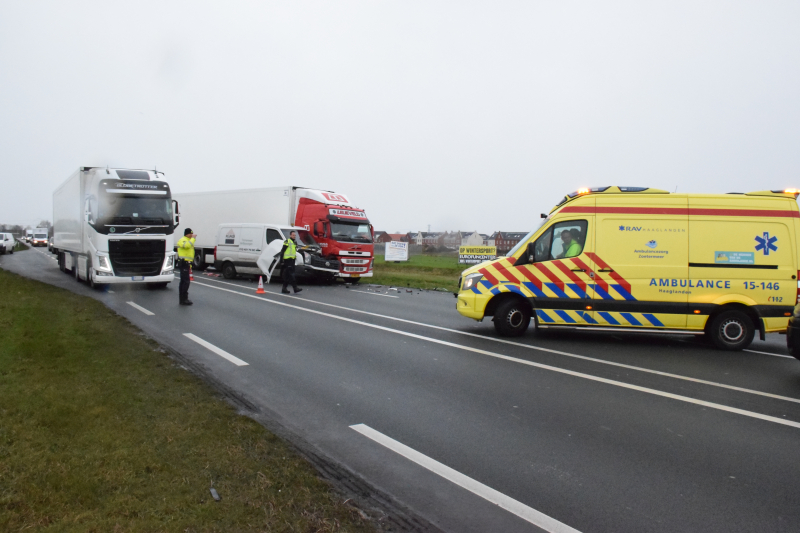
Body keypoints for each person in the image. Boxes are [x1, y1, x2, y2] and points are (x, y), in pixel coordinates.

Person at [176, 228, 197, 305]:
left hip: (187, 263)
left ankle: (183, 299)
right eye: (191, 234)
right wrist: (193, 239)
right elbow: (187, 246)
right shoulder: (183, 240)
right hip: (184, 262)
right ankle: (183, 299)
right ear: (187, 234)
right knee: (185, 281)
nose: (192, 235)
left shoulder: (188, 240)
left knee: (183, 281)